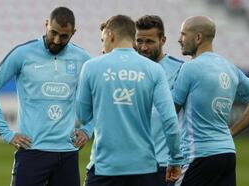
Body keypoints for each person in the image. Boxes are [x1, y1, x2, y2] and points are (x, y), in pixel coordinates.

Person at [0, 6, 91, 186]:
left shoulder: (82, 58)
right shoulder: (23, 53)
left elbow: (100, 96)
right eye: (52, 32)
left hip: (67, 153)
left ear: (73, 33)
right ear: (46, 24)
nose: (56, 40)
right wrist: (7, 134)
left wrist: (88, 129)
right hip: (31, 152)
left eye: (64, 36)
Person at [76, 14, 183, 186]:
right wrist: (175, 159)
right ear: (133, 37)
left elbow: (82, 115)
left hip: (105, 167)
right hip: (145, 168)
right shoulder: (154, 69)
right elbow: (170, 120)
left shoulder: (91, 67)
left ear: (110, 35)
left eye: (103, 39)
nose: (103, 44)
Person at [172, 16, 249, 186]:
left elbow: (171, 111)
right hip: (227, 154)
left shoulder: (190, 68)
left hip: (198, 155)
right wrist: (232, 132)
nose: (179, 39)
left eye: (183, 34)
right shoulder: (229, 67)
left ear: (198, 37)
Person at [135, 15, 184, 186]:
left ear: (163, 40)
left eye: (149, 41)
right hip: (133, 164)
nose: (143, 47)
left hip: (164, 163)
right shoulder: (129, 70)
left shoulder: (180, 70)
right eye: (139, 41)